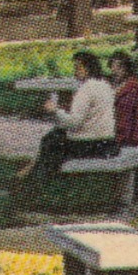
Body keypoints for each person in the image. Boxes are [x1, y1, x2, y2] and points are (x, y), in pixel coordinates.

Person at [23, 51, 117, 180]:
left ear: (88, 69)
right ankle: (31, 174)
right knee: (55, 135)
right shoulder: (105, 85)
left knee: (50, 141)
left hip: (90, 144)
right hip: (107, 142)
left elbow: (74, 123)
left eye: (78, 67)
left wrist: (55, 110)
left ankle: (37, 179)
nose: (75, 71)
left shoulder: (86, 89)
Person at [111, 50, 138, 149]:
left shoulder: (136, 87)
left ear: (127, 68)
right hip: (109, 134)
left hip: (127, 136)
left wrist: (135, 138)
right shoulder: (109, 85)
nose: (115, 70)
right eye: (112, 66)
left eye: (119, 67)